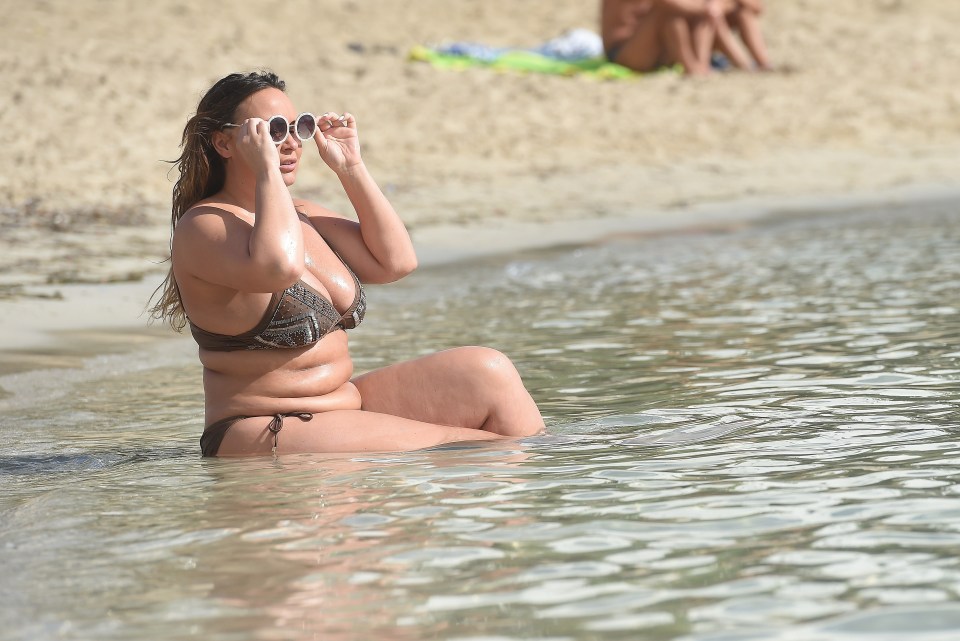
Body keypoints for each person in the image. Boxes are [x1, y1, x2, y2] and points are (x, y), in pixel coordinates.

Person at [149, 70, 545, 457]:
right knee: (475, 445)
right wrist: (267, 170)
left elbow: (395, 262)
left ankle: (522, 510)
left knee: (488, 372)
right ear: (225, 143)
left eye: (296, 127)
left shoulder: (302, 214)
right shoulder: (203, 227)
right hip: (262, 425)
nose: (289, 144)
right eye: (271, 132)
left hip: (341, 405)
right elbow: (277, 269)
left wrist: (350, 167)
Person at [600, 0, 770, 75]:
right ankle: (695, 68)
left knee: (741, 13)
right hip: (624, 52)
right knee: (672, 16)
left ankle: (762, 63)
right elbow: (667, 4)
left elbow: (757, 7)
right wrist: (709, 8)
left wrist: (719, 6)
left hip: (656, 49)